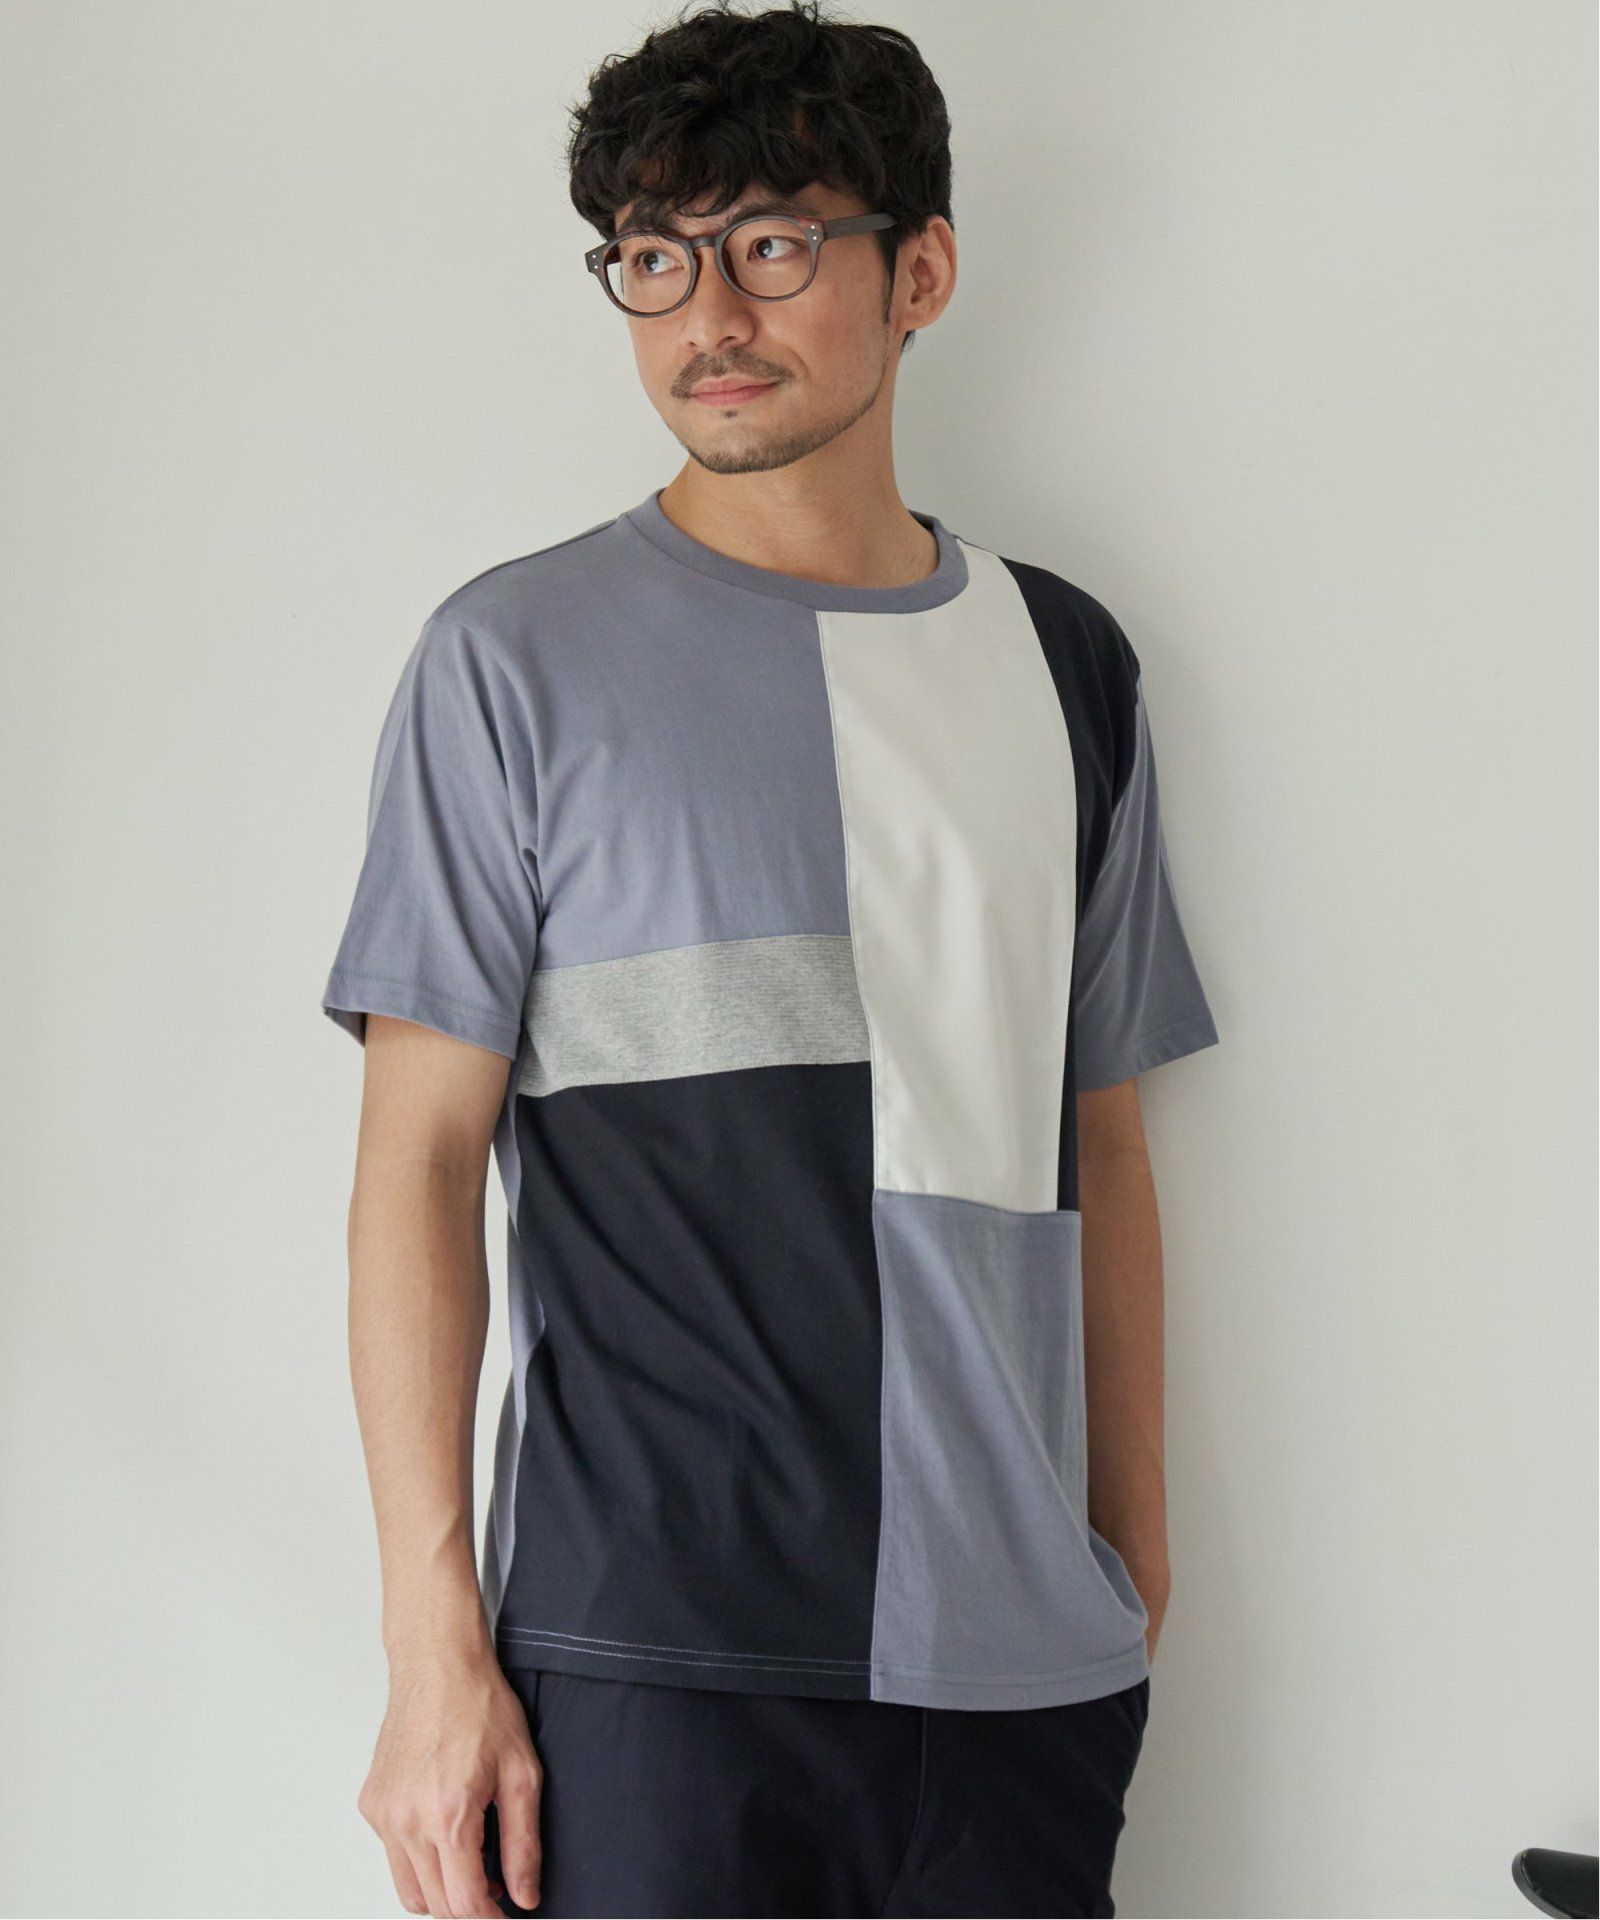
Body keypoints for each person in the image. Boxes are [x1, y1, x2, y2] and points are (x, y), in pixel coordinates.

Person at [320, 2, 1220, 1913]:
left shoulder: (1071, 665)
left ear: (923, 272)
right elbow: (417, 1160)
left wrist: (1134, 1557)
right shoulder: (512, 663)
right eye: (654, 259)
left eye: (774, 244)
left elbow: (1105, 1137)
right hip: (647, 1669)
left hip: (1020, 1680)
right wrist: (432, 1653)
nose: (708, 315)